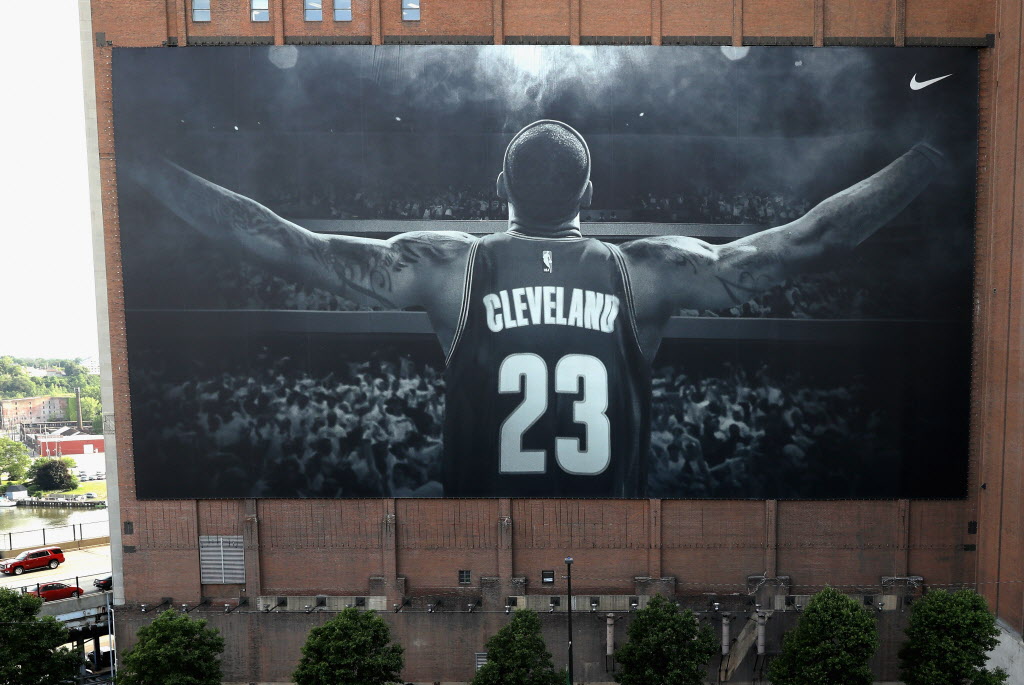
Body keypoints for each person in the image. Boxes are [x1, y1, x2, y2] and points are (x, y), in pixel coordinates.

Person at [141, 119, 944, 498]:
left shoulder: (451, 266)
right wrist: (928, 158)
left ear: (500, 190)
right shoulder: (649, 273)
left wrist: (149, 164)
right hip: (612, 550)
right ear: (591, 194)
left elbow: (274, 239)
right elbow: (806, 246)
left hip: (483, 550)